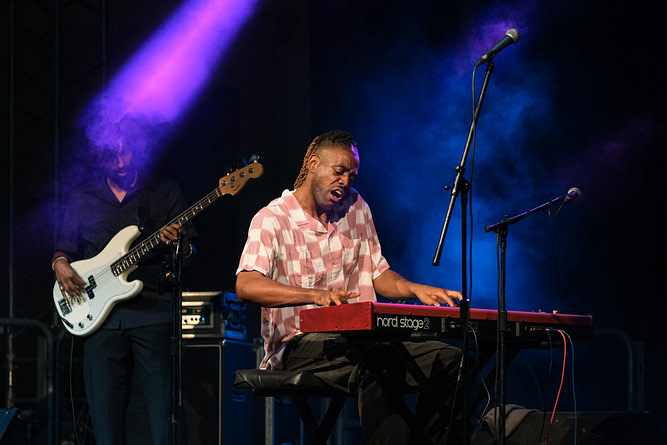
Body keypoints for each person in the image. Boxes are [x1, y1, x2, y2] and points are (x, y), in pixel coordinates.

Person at [236, 129, 465, 444]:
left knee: (453, 361)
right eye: (339, 171)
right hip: (299, 345)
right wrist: (314, 296)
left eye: (352, 176)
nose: (345, 181)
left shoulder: (356, 207)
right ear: (314, 164)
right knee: (380, 363)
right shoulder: (272, 219)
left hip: (362, 341)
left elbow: (377, 274)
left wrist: (414, 288)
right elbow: (247, 285)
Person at [52, 127, 196, 445]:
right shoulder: (82, 196)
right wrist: (59, 263)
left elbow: (188, 253)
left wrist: (181, 243)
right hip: (98, 318)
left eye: (125, 151)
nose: (119, 160)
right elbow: (65, 250)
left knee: (162, 414)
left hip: (153, 312)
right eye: (110, 154)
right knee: (105, 419)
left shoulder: (164, 190)